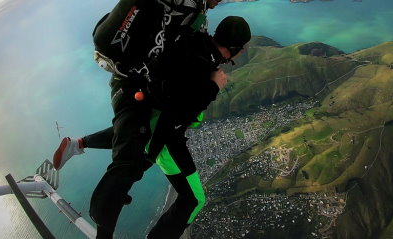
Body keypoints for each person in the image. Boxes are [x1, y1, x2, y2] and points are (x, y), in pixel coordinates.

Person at [49, 0, 233, 238]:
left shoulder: (197, 11)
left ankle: (78, 145)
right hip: (134, 80)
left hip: (131, 77)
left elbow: (197, 43)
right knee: (131, 161)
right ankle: (104, 230)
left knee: (135, 135)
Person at [54, 16, 251, 238]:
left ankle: (78, 144)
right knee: (194, 199)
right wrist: (213, 87)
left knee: (133, 136)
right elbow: (178, 113)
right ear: (239, 50)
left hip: (148, 114)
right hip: (166, 140)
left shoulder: (196, 42)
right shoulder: (202, 65)